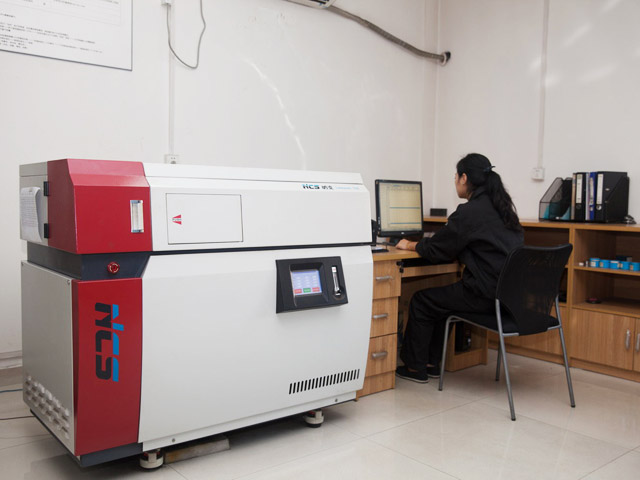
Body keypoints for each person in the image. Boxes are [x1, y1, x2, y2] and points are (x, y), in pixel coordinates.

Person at [395, 153, 524, 383]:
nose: (455, 181)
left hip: (485, 294)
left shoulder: (470, 212)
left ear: (464, 178)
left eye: (456, 176)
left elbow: (437, 249)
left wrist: (409, 244)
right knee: (440, 303)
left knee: (422, 301)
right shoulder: (503, 209)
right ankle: (431, 364)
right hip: (507, 296)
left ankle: (415, 368)